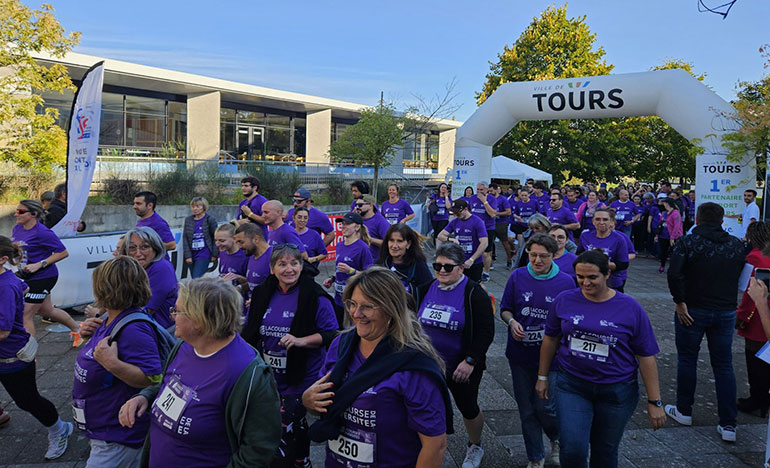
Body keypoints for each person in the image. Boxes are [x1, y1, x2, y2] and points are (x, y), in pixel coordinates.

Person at [119, 277, 282, 468]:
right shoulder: (183, 346)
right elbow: (167, 385)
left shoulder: (250, 375)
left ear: (199, 320)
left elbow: (258, 450)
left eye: (177, 310)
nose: (172, 315)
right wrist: (145, 397)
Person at [303, 267, 452, 468]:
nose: (357, 313)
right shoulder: (341, 345)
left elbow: (435, 444)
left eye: (368, 306)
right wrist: (309, 400)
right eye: (352, 304)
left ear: (391, 309)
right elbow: (322, 398)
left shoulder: (413, 365)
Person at [536, 250, 666, 467]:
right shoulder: (564, 300)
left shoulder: (630, 307)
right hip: (573, 386)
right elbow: (550, 339)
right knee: (573, 449)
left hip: (616, 391)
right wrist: (542, 376)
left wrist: (655, 402)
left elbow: (646, 356)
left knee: (605, 452)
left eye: (592, 277)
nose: (585, 283)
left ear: (607, 274)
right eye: (580, 277)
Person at [242, 245, 339, 467]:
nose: (289, 269)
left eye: (294, 263)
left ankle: (301, 462)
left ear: (301, 265)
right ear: (272, 268)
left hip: (301, 378)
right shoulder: (262, 293)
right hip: (268, 379)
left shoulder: (315, 296)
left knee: (289, 433)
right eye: (282, 264)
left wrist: (300, 341)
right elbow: (251, 329)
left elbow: (330, 334)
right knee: (271, 432)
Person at [666, 202, 746, 443]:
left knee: (687, 359)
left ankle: (684, 410)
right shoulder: (735, 245)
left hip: (692, 308)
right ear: (722, 220)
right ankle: (729, 423)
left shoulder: (687, 242)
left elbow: (674, 273)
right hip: (724, 310)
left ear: (698, 219)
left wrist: (679, 302)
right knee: (724, 366)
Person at [73, 256, 163, 468]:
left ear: (104, 289)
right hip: (104, 429)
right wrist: (89, 337)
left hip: (118, 438)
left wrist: (114, 365)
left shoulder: (133, 329)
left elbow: (154, 378)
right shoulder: (110, 319)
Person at [415, 243, 494, 468]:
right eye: (437, 265)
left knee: (467, 407)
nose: (441, 271)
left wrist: (470, 360)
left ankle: (475, 445)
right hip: (429, 365)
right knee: (424, 406)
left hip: (460, 365)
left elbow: (486, 331)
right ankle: (426, 444)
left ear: (461, 268)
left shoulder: (474, 293)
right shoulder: (426, 288)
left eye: (448, 267)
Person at [501, 234, 575, 468]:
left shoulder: (566, 281)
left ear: (554, 256)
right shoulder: (517, 276)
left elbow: (572, 319)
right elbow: (505, 309)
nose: (537, 260)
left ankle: (556, 437)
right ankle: (535, 457)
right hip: (520, 354)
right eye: (533, 255)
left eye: (543, 256)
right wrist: (512, 322)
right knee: (526, 409)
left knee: (546, 407)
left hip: (552, 358)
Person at [0, 236, 74, 460]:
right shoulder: (8, 280)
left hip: (11, 358)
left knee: (27, 400)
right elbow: (22, 288)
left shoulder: (4, 287)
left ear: (3, 259)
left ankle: (59, 429)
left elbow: (3, 333)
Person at [11, 199, 80, 341]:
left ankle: (29, 354)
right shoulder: (17, 228)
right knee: (46, 311)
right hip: (27, 276)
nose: (16, 214)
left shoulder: (43, 232)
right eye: (16, 211)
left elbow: (63, 252)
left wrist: (39, 264)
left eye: (20, 212)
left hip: (43, 276)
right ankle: (79, 330)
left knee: (25, 315)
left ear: (34, 214)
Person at [735, 222, 770, 417]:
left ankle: (757, 399)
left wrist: (741, 316)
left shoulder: (754, 257)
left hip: (757, 314)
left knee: (755, 360)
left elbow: (749, 294)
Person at [119, 227, 178, 330]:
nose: (138, 253)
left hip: (161, 332)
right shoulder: (135, 269)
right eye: (132, 248)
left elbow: (145, 310)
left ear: (155, 248)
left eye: (144, 247)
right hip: (141, 326)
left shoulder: (161, 268)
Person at [322, 212, 373, 308]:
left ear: (357, 227)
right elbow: (339, 269)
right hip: (338, 300)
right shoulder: (340, 245)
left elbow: (369, 276)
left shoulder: (363, 248)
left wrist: (351, 271)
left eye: (347, 224)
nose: (343, 226)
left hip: (354, 302)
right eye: (342, 223)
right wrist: (332, 279)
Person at [376, 223, 433, 303]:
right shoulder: (380, 264)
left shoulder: (418, 266)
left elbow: (428, 292)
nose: (394, 246)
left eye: (399, 241)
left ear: (408, 244)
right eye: (391, 240)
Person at [576, 208, 629, 292]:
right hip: (589, 281)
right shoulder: (585, 236)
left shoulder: (619, 239)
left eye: (605, 219)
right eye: (597, 219)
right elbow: (579, 254)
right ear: (593, 221)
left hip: (612, 283)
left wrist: (600, 264)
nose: (601, 222)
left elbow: (623, 264)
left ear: (611, 222)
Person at [437, 200, 488, 282]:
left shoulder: (477, 222)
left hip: (474, 263)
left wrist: (472, 259)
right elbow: (440, 235)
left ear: (465, 209)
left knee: (475, 287)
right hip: (458, 262)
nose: (456, 215)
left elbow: (484, 243)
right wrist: (450, 239)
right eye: (454, 213)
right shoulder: (455, 222)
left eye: (458, 213)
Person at [182, 196, 218, 279]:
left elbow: (215, 237)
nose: (195, 209)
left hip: (204, 253)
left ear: (203, 207)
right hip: (192, 253)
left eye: (198, 206)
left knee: (196, 278)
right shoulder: (188, 220)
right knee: (196, 278)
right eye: (193, 206)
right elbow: (185, 238)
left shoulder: (210, 219)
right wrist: (188, 256)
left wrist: (214, 254)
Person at [468, 183, 497, 282]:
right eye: (477, 189)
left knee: (485, 253)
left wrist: (484, 201)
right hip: (474, 228)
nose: (479, 192)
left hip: (488, 228)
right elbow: (469, 211)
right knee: (474, 249)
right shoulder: (472, 198)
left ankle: (486, 272)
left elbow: (492, 214)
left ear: (486, 190)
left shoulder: (492, 199)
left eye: (481, 189)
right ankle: (475, 269)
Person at [234, 222, 273, 295]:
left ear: (256, 239)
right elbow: (254, 285)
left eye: (241, 242)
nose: (239, 247)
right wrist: (239, 287)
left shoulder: (273, 257)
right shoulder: (251, 255)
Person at [356, 194, 391, 261]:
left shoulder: (381, 221)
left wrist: (369, 239)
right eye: (356, 205)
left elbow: (388, 243)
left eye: (360, 205)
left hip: (375, 262)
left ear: (370, 205)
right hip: (359, 260)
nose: (357, 207)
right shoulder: (357, 220)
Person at [490, 183, 514, 269]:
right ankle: (491, 261)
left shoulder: (503, 199)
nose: (490, 192)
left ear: (496, 190)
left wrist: (497, 213)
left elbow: (508, 212)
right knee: (490, 243)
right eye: (489, 191)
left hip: (501, 223)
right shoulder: (488, 199)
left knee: (504, 242)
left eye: (491, 191)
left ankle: (509, 259)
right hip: (490, 223)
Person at [658, 197, 683, 273]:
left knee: (674, 252)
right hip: (664, 234)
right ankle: (662, 265)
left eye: (664, 203)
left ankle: (674, 267)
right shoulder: (664, 213)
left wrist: (672, 237)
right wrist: (657, 234)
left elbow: (677, 226)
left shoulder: (676, 213)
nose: (663, 204)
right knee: (663, 252)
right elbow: (660, 224)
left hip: (674, 236)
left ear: (668, 204)